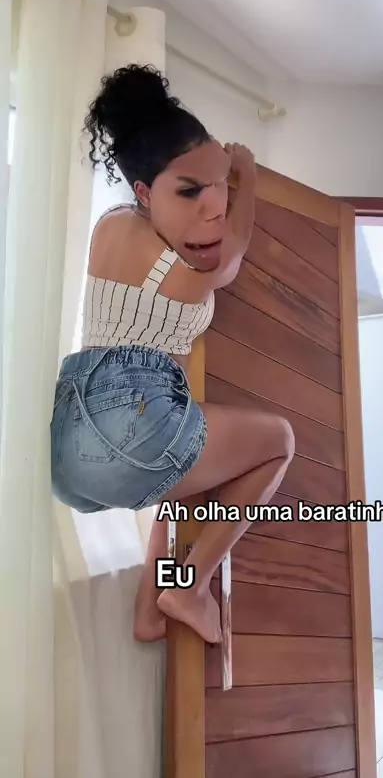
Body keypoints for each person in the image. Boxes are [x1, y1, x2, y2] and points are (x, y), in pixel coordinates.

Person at [50, 64, 295, 645]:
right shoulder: (183, 267)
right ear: (144, 191)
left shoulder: (109, 226)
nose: (213, 207)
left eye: (218, 188)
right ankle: (192, 587)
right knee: (279, 443)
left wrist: (213, 183)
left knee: (182, 480)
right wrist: (246, 177)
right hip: (128, 424)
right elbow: (233, 250)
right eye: (191, 191)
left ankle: (151, 605)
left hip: (69, 446)